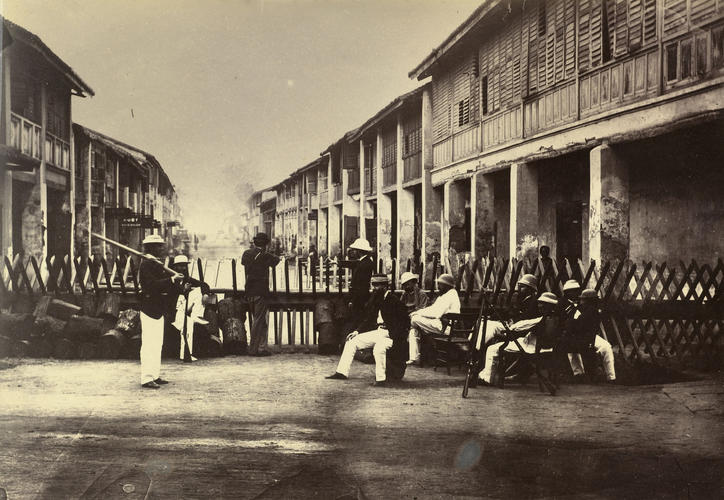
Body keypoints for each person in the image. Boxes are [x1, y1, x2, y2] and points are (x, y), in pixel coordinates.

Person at [326, 274, 410, 387]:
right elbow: (369, 318)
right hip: (380, 331)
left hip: (391, 335)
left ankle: (381, 380)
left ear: (385, 286)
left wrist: (395, 337)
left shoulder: (395, 301)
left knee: (379, 348)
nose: (373, 288)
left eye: (377, 285)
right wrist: (357, 331)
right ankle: (341, 372)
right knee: (352, 341)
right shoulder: (376, 299)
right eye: (373, 285)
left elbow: (404, 322)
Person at [478, 292, 559, 385]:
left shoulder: (543, 319)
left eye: (542, 304)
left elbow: (522, 325)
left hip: (532, 347)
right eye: (539, 303)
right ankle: (485, 374)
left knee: (492, 349)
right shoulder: (554, 318)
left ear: (549, 306)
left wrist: (511, 328)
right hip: (540, 346)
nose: (539, 306)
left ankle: (487, 379)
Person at [138, 234, 183, 389]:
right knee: (149, 344)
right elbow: (151, 285)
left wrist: (175, 280)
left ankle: (154, 375)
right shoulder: (146, 264)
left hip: (158, 308)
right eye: (158, 246)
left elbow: (164, 284)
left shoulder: (155, 263)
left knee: (157, 343)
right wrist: (171, 280)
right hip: (149, 307)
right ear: (151, 247)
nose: (161, 248)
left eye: (161, 245)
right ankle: (146, 378)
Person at [472, 273, 540, 351]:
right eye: (519, 285)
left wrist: (514, 321)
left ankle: (476, 349)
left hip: (517, 330)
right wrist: (491, 317)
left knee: (492, 327)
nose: (519, 288)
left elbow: (528, 318)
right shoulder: (520, 299)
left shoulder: (533, 303)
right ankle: (470, 344)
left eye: (522, 286)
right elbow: (506, 312)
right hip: (509, 325)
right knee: (481, 322)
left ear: (530, 289)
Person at [407, 273, 461, 365]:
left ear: (446, 285)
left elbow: (436, 313)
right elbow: (432, 308)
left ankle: (418, 353)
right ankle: (414, 358)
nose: (438, 286)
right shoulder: (444, 295)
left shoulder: (450, 295)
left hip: (446, 328)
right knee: (414, 329)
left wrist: (417, 313)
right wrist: (418, 312)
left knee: (414, 320)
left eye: (440, 284)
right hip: (440, 325)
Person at [242, 232, 280, 357]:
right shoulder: (265, 255)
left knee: (261, 320)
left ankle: (262, 348)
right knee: (258, 320)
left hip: (249, 291)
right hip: (260, 292)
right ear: (265, 245)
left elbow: (244, 264)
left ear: (254, 242)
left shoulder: (247, 253)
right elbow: (276, 261)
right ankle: (253, 349)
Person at [565, 289, 616, 383]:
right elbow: (573, 325)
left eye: (583, 300)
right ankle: (579, 374)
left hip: (588, 336)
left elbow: (580, 326)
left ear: (589, 301)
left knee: (605, 347)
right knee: (571, 349)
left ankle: (610, 377)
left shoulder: (592, 311)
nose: (581, 302)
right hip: (580, 336)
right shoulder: (581, 310)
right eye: (581, 300)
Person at [170, 255, 210, 362]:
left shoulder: (186, 279)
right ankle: (185, 354)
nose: (183, 268)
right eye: (180, 266)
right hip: (174, 311)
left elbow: (204, 284)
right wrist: (183, 290)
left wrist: (205, 294)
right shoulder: (171, 279)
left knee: (198, 291)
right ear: (175, 267)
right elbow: (171, 295)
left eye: (184, 266)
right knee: (187, 325)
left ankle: (197, 315)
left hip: (184, 309)